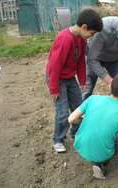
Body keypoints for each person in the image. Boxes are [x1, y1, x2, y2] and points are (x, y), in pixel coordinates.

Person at [46, 9, 103, 153]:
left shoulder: (81, 39)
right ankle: (58, 139)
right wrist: (54, 88)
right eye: (92, 33)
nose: (92, 36)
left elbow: (80, 63)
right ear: (84, 27)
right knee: (63, 112)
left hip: (70, 78)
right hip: (57, 78)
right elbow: (54, 65)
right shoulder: (65, 39)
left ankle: (76, 134)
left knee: (79, 108)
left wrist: (82, 80)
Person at [68, 73, 118, 180]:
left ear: (109, 86)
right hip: (101, 156)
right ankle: (100, 164)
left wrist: (84, 120)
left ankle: (95, 157)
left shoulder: (93, 98)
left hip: (79, 145)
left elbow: (71, 119)